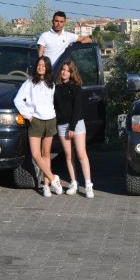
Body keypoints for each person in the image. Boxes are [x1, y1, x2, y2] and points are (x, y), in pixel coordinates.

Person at [13, 56, 63, 197]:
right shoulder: (30, 82)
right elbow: (17, 100)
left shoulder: (51, 83)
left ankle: (46, 185)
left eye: (44, 65)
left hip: (50, 120)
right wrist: (28, 115)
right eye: (39, 65)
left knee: (46, 154)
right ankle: (54, 179)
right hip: (36, 121)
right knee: (36, 155)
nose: (41, 67)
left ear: (47, 67)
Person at [54, 59, 93, 198]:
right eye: (63, 69)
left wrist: (72, 127)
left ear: (71, 73)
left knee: (81, 154)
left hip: (76, 124)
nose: (64, 72)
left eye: (67, 70)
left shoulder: (77, 87)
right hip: (62, 125)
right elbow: (55, 108)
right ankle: (74, 183)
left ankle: (88, 185)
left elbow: (77, 109)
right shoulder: (56, 88)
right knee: (69, 156)